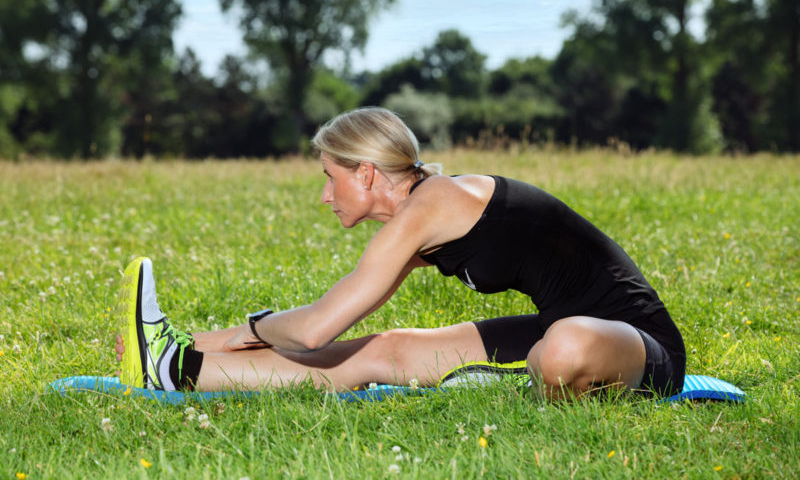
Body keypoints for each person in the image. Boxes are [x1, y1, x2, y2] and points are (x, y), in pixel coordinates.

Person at [116, 107, 685, 399]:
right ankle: (179, 371)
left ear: (365, 174)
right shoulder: (419, 218)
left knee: (562, 349)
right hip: (554, 324)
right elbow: (331, 320)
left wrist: (258, 324)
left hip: (636, 340)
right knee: (381, 353)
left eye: (328, 176)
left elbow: (309, 330)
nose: (323, 195)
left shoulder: (436, 201)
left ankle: (532, 381)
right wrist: (181, 343)